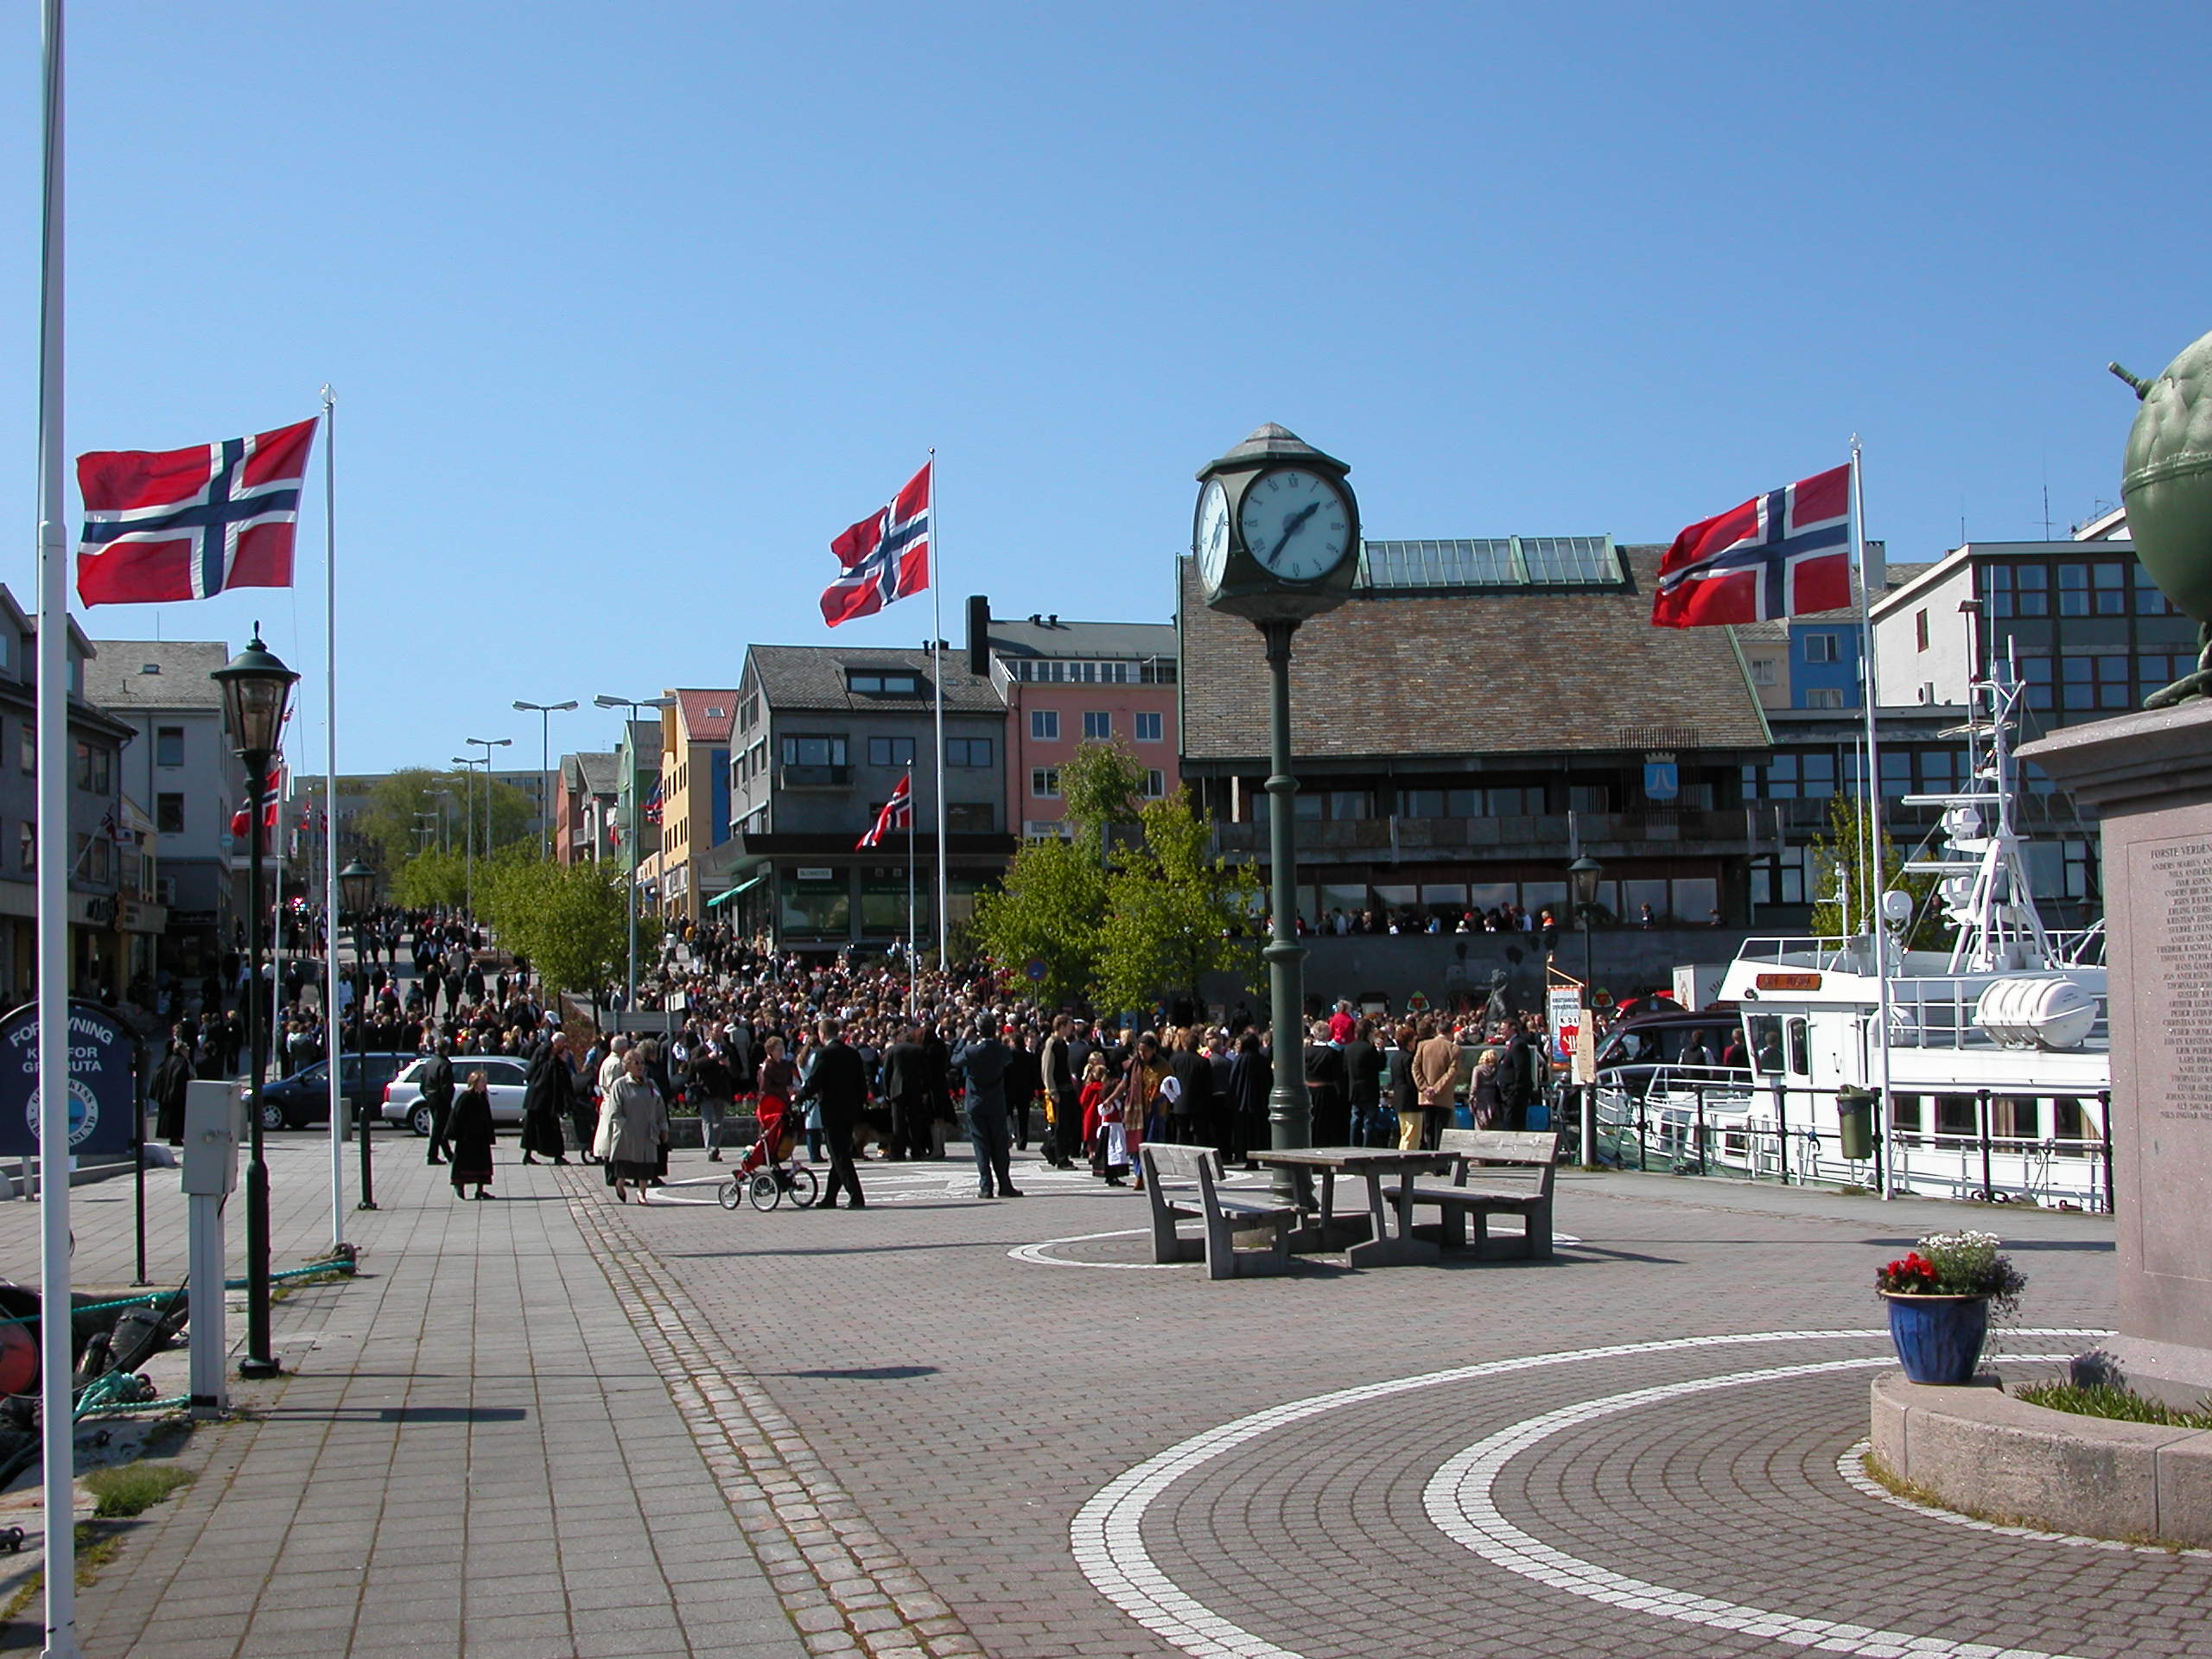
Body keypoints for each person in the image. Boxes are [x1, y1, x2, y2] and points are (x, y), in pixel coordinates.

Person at [794, 1017, 868, 1208]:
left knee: (839, 1154)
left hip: (832, 1110)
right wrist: (859, 1105)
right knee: (839, 1152)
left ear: (822, 1034)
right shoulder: (852, 1053)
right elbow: (862, 1083)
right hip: (850, 1110)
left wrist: (800, 1096)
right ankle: (830, 1197)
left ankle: (856, 1196)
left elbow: (814, 1081)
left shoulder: (824, 1054)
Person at [952, 1015, 1020, 1199]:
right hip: (996, 1102)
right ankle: (1004, 1184)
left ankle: (986, 1186)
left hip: (976, 1102)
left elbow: (955, 1060)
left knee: (981, 1145)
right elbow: (1008, 1060)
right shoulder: (1002, 1050)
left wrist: (963, 1039)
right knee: (1000, 1145)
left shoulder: (971, 1051)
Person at [601, 1046, 668, 1203]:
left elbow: (660, 1108)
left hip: (647, 1133)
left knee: (646, 1167)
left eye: (642, 1063)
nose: (640, 1066)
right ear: (627, 1065)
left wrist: (663, 1128)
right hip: (627, 1134)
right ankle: (620, 1184)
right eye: (636, 1063)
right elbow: (614, 1110)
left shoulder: (651, 1085)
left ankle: (642, 1194)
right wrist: (624, 1126)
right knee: (625, 1166)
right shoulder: (620, 1085)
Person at [520, 1032, 572, 1166]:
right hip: (541, 1099)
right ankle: (553, 1156)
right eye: (563, 1043)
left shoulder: (549, 1054)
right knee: (538, 1128)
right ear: (558, 1043)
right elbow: (545, 1073)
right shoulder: (546, 1052)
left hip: (540, 1099)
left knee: (537, 1128)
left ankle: (533, 1155)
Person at [1408, 1017, 1458, 1151]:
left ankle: (1430, 1157)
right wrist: (1436, 1089)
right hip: (1444, 1097)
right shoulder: (1454, 1048)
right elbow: (1451, 1072)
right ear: (1451, 1032)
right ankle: (1440, 1159)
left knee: (1428, 1130)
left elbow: (1415, 1068)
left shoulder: (1422, 1045)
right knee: (1441, 1130)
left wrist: (1424, 1088)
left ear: (1437, 1030)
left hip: (1425, 1097)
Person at [448, 1068, 497, 1200]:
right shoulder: (466, 1097)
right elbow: (457, 1115)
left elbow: (487, 1117)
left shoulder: (483, 1097)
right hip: (467, 1136)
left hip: (481, 1136)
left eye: (485, 1081)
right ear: (474, 1082)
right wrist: (456, 1133)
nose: (484, 1084)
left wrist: (489, 1134)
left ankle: (480, 1190)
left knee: (482, 1162)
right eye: (482, 1081)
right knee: (464, 1162)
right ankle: (460, 1185)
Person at [1041, 1014, 1079, 1170]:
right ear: (1062, 1026)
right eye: (1069, 1026)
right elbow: (1047, 1069)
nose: (1071, 1030)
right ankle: (1061, 1157)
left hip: (1067, 1087)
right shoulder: (1052, 1044)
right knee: (1061, 1126)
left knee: (1070, 1122)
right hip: (1059, 1089)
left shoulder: (1062, 1043)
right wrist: (1052, 1091)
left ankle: (1051, 1148)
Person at [1342, 1018, 1385, 1147]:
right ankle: (1367, 1146)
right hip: (1369, 1090)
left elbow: (1345, 1069)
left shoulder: (1349, 1049)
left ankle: (1353, 1145)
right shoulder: (1369, 1048)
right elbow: (1380, 1066)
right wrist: (1381, 1051)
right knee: (1369, 1121)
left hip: (1354, 1089)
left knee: (1355, 1119)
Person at [690, 1040, 734, 1161]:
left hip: (721, 1091)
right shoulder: (702, 1049)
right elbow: (693, 1066)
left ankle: (715, 1147)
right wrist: (709, 1058)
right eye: (716, 1031)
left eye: (721, 1032)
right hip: (706, 1091)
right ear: (710, 1033)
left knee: (719, 1122)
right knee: (708, 1120)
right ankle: (711, 1149)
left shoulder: (726, 1049)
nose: (719, 1034)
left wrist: (728, 1065)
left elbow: (735, 1071)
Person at [419, 1038, 456, 1166]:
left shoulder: (429, 1063)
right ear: (446, 1049)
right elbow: (446, 1084)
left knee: (439, 1127)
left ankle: (449, 1155)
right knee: (439, 1128)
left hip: (431, 1097)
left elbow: (422, 1082)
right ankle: (432, 1155)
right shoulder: (444, 1064)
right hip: (440, 1098)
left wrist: (427, 1095)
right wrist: (448, 1098)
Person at [150, 1039, 194, 1147]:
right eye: (186, 1049)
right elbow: (178, 1077)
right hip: (176, 1095)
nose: (188, 1051)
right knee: (176, 1118)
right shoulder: (181, 1062)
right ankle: (176, 1138)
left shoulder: (169, 1059)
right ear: (181, 1050)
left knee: (170, 1119)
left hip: (166, 1094)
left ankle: (174, 1138)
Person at [1470, 1048, 1503, 1129]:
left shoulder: (1478, 1069)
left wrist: (1471, 1100)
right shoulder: (1499, 1069)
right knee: (1495, 1126)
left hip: (1481, 1099)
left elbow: (1474, 1087)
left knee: (1481, 1125)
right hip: (1494, 1098)